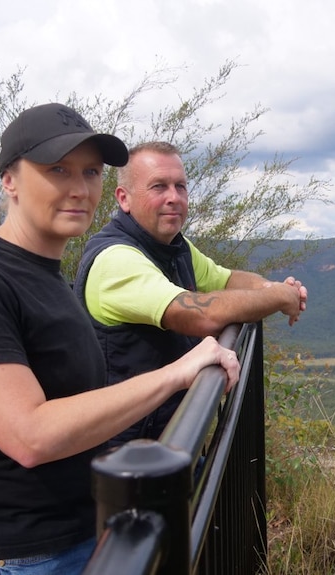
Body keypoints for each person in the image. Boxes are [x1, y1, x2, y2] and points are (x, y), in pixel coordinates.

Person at [0, 104, 239, 575]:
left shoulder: (48, 278)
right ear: (10, 180)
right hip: (10, 555)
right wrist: (177, 374)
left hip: (72, 537)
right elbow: (31, 436)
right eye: (57, 170)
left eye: (90, 171)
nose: (79, 188)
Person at [74, 141, 307, 444]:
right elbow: (202, 315)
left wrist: (272, 287)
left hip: (167, 436)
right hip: (122, 454)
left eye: (180, 186)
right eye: (159, 187)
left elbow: (226, 279)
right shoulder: (116, 260)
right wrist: (279, 298)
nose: (174, 197)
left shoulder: (173, 247)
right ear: (124, 198)